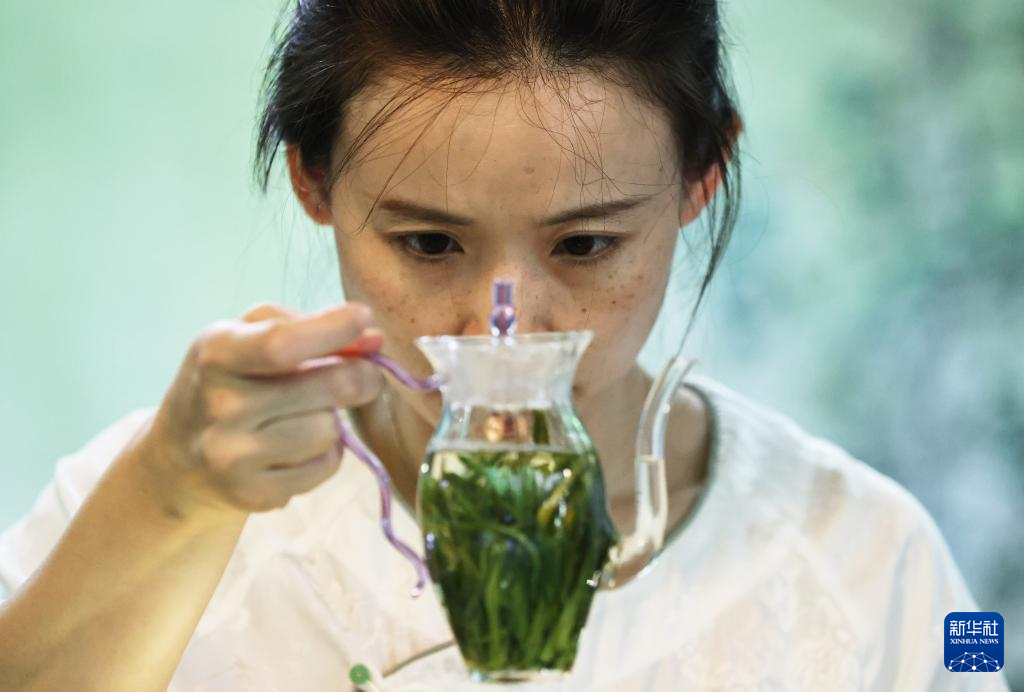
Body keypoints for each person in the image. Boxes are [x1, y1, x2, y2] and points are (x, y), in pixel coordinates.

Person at [0, 1, 1008, 690]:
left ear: (700, 177)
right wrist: (168, 502)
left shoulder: (873, 559)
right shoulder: (147, 509)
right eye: (428, 243)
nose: (502, 326)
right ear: (314, 180)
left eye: (585, 245)